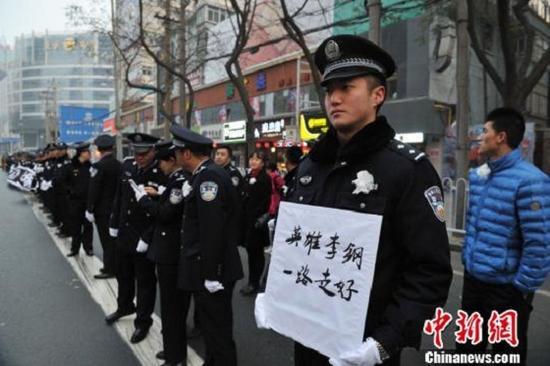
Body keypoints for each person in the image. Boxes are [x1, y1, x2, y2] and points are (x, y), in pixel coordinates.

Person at [256, 34, 452, 366]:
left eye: (347, 88)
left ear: (378, 95)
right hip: (308, 338)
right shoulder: (310, 166)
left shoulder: (406, 170)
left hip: (365, 348)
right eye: (329, 89)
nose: (334, 98)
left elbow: (429, 271)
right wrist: (269, 289)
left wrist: (384, 343)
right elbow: (294, 242)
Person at [457, 107, 550, 365]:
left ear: (501, 137)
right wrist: (468, 260)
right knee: (466, 349)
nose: (479, 136)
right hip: (474, 279)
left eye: (485, 130)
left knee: (505, 355)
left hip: (506, 288)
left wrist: (520, 289)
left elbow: (539, 244)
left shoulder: (531, 181)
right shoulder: (479, 176)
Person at [171, 124, 243, 366]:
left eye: (177, 152)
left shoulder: (208, 177)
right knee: (213, 330)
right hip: (209, 266)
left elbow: (212, 230)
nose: (176, 157)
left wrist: (211, 274)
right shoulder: (205, 174)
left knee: (218, 331)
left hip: (212, 270)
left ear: (187, 154)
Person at [106, 133, 166, 344]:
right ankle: (124, 306)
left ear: (153, 151)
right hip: (125, 231)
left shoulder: (162, 171)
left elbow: (162, 211)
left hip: (145, 236)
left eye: (143, 154)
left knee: (145, 282)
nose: (139, 158)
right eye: (136, 153)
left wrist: (148, 237)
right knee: (123, 274)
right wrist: (114, 223)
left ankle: (143, 322)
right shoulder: (128, 166)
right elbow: (120, 196)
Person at [135, 141, 191, 366]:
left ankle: (176, 357)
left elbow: (166, 214)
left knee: (172, 309)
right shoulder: (173, 182)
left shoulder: (178, 182)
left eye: (161, 161)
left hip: (171, 255)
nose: (159, 166)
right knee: (169, 308)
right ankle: (172, 350)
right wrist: (159, 194)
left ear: (171, 161)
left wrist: (145, 200)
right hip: (167, 252)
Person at [86, 134, 122, 279]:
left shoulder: (98, 166)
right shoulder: (119, 165)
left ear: (99, 149)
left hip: (103, 210)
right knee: (114, 240)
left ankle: (110, 268)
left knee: (106, 240)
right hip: (116, 208)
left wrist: (90, 208)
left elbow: (94, 189)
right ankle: (114, 266)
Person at [241, 150, 272, 296]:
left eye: (257, 159)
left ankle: (254, 283)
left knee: (256, 254)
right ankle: (252, 282)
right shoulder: (249, 176)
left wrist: (254, 218)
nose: (253, 161)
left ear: (263, 162)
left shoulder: (264, 178)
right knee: (251, 252)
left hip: (257, 222)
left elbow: (264, 202)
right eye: (252, 158)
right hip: (247, 221)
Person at [66, 141, 93, 257]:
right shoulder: (70, 166)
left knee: (88, 226)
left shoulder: (91, 167)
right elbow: (63, 181)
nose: (89, 154)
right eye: (87, 152)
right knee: (76, 226)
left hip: (87, 201)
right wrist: (71, 191)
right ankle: (74, 249)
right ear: (81, 153)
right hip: (75, 201)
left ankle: (88, 248)